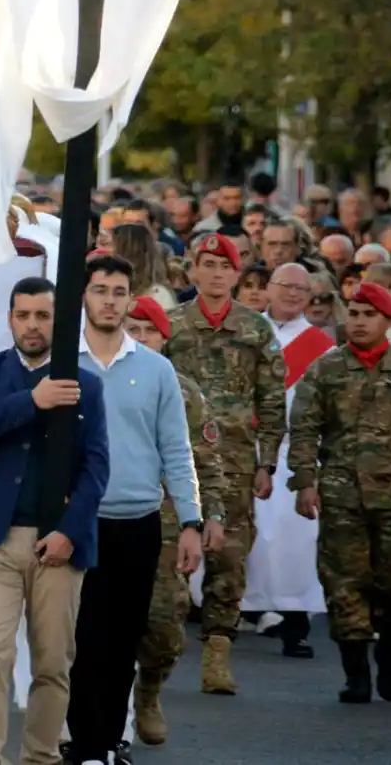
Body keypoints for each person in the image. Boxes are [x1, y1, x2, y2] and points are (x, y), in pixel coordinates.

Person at [0, 276, 108, 765]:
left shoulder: (87, 385)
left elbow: (96, 467)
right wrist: (33, 401)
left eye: (42, 315)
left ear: (59, 322)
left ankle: (41, 757)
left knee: (53, 663)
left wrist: (69, 531)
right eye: (23, 315)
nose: (32, 325)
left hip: (57, 545)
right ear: (9, 320)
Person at [60, 257, 201, 765]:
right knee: (81, 638)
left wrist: (191, 520)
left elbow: (176, 449)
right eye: (100, 290)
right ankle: (83, 744)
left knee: (122, 642)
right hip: (76, 523)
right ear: (84, 296)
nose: (110, 301)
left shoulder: (156, 370)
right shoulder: (61, 364)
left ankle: (106, 744)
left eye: (119, 292)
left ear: (130, 299)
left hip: (137, 523)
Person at [289, 282, 391, 703]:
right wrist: (305, 482)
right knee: (344, 583)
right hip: (342, 496)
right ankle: (355, 673)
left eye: (369, 315)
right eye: (354, 314)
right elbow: (304, 428)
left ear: (388, 320)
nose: (359, 323)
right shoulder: (326, 369)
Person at [163, 233, 287, 694]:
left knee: (229, 560)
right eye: (208, 264)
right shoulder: (171, 326)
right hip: (178, 460)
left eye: (225, 266)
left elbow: (271, 399)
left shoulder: (256, 329)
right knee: (169, 557)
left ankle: (217, 654)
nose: (216, 274)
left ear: (237, 274)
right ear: (192, 270)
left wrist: (267, 462)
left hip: (234, 461)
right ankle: (164, 652)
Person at [123, 297, 226, 748]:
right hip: (111, 518)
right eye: (133, 329)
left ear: (165, 339)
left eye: (150, 331)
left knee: (164, 624)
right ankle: (107, 719)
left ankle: (148, 691)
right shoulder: (98, 379)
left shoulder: (183, 391)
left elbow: (206, 460)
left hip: (167, 524)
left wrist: (211, 517)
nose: (141, 338)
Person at [243, 262, 336, 659]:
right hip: (246, 444)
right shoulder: (246, 331)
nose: (293, 294)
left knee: (295, 539)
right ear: (269, 288)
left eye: (302, 289)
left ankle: (295, 623)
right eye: (286, 285)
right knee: (245, 534)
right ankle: (235, 613)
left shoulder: (322, 346)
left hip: (294, 449)